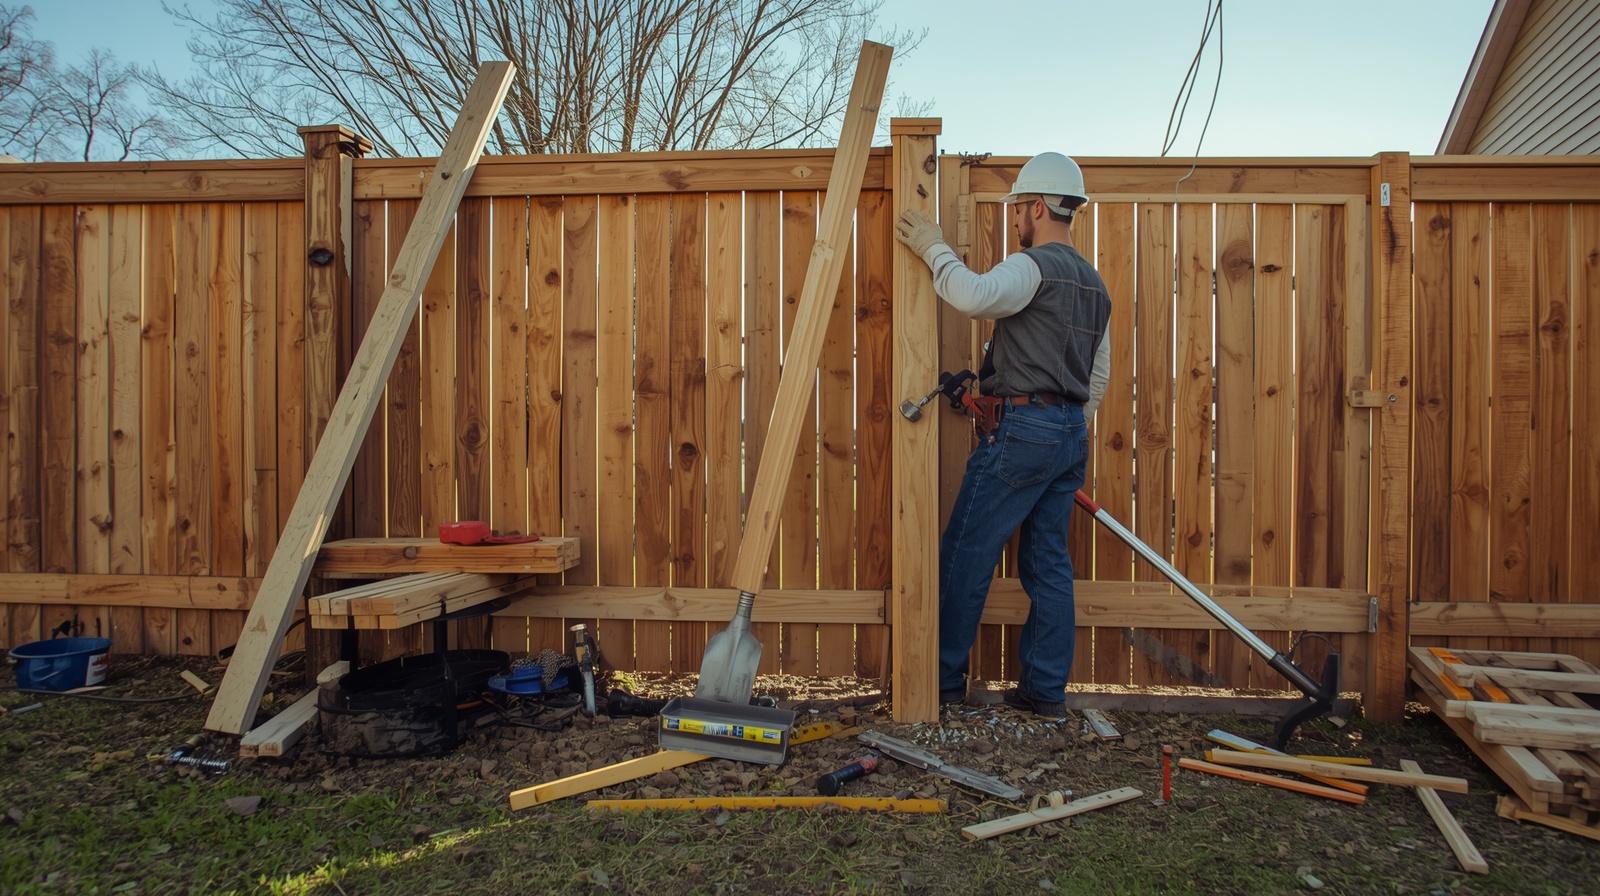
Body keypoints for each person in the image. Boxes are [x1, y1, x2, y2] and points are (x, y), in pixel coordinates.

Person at [893, 152, 1111, 718]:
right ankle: (1043, 693)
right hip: (1068, 434)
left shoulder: (1033, 266)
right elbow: (1098, 374)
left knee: (966, 551)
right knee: (1048, 564)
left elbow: (971, 295)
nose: (1015, 217)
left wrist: (932, 246)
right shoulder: (1095, 286)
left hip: (1028, 432)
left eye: (1018, 206)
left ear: (1036, 207)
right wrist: (1061, 425)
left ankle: (937, 683)